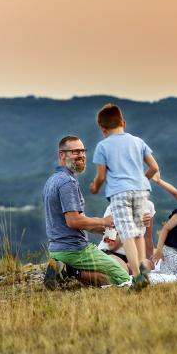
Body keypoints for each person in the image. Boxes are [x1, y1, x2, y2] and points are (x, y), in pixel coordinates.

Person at [43, 135, 131, 289]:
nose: (82, 155)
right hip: (75, 250)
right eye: (75, 152)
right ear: (61, 154)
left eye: (83, 151)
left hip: (57, 250)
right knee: (123, 277)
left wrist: (101, 229)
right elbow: (74, 221)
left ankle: (65, 269)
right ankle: (70, 271)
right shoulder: (67, 182)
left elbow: (73, 221)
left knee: (110, 275)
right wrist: (103, 221)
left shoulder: (52, 180)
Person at [89, 103, 159, 291]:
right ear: (124, 123)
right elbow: (154, 168)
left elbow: (102, 176)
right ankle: (143, 269)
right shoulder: (138, 142)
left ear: (102, 129)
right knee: (137, 231)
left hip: (120, 193)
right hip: (141, 191)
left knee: (127, 234)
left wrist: (94, 187)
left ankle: (137, 276)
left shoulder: (102, 146)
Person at [97, 201, 156, 275]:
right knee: (123, 269)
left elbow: (148, 238)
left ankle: (129, 271)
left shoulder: (148, 206)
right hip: (110, 253)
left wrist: (150, 261)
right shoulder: (113, 208)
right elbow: (111, 245)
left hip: (131, 256)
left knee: (147, 265)